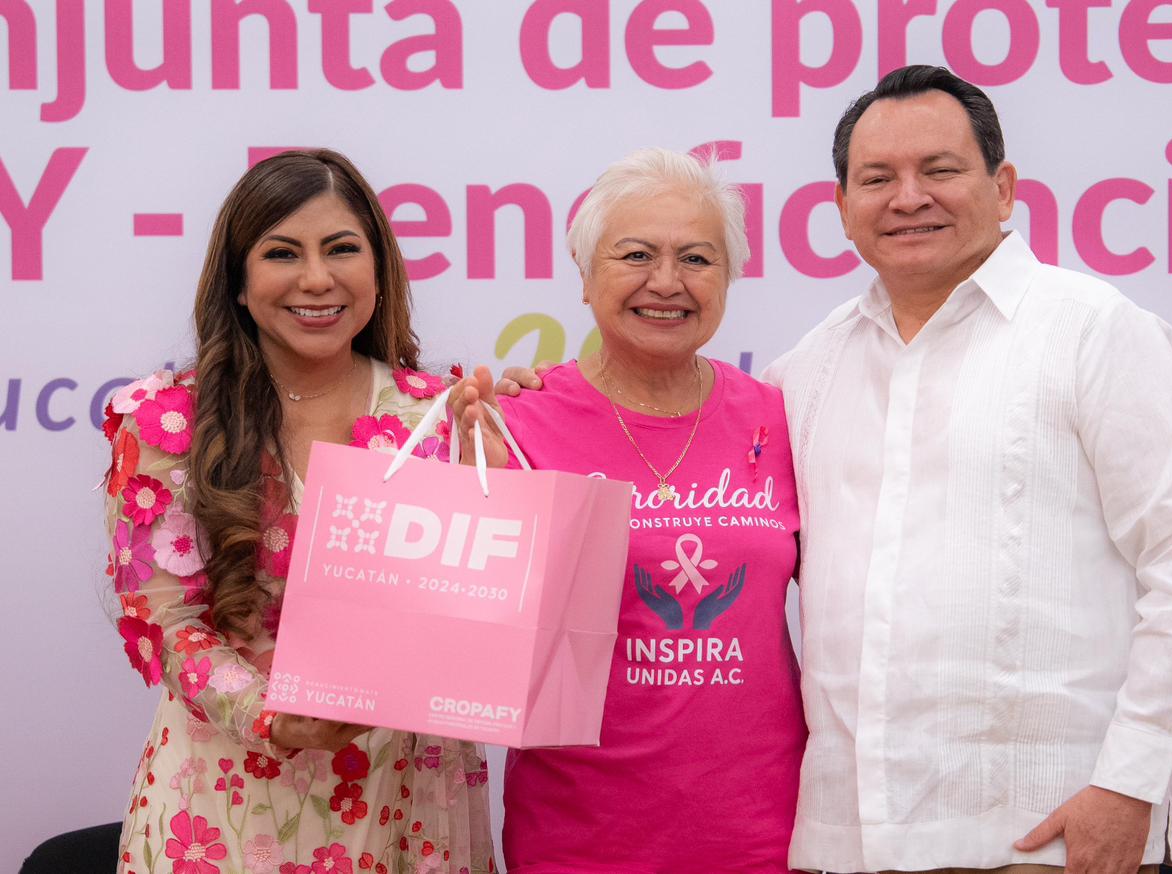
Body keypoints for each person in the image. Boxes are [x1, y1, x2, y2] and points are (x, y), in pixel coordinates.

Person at [760, 66, 1172, 873]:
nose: (908, 197)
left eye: (939, 169)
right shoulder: (804, 371)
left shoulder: (1094, 332)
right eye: (877, 178)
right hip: (848, 838)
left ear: (1003, 187)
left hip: (1052, 834)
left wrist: (1130, 785)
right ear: (842, 208)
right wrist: (540, 405)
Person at [103, 150, 493, 874]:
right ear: (239, 282)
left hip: (405, 793)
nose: (316, 278)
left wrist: (509, 454)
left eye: (342, 248)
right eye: (283, 253)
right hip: (226, 804)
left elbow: (484, 611)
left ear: (379, 269)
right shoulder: (166, 420)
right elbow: (168, 624)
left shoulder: (438, 416)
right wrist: (273, 717)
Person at [453, 148, 807, 872]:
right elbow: (470, 641)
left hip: (765, 831)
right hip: (579, 838)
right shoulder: (517, 423)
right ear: (585, 277)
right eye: (636, 254)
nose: (667, 282)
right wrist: (469, 490)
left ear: (730, 278)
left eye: (697, 259)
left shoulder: (780, 417)